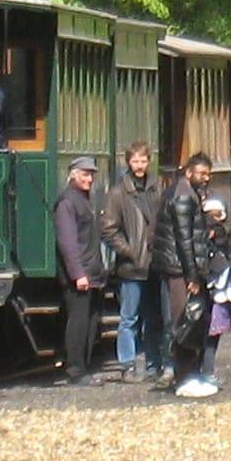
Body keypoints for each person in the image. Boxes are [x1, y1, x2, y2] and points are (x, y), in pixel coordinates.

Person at [155, 152, 221, 393]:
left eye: (208, 174)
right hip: (179, 269)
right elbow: (185, 240)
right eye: (202, 173)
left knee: (186, 321)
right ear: (189, 172)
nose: (206, 178)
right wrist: (192, 276)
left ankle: (187, 374)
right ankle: (185, 377)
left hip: (177, 266)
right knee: (185, 322)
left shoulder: (183, 192)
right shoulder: (184, 197)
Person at [102, 143, 165, 381]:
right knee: (129, 318)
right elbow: (109, 229)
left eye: (143, 161)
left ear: (149, 161)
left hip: (155, 263)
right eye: (135, 161)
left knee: (154, 317)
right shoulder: (118, 193)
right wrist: (129, 251)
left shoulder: (157, 188)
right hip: (131, 266)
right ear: (128, 162)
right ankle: (127, 364)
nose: (139, 166)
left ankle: (153, 364)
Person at [54, 155, 107, 382]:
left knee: (90, 321)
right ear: (73, 175)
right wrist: (78, 274)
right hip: (81, 274)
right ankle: (76, 370)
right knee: (79, 322)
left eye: (91, 175)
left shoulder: (85, 199)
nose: (89, 179)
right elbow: (68, 242)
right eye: (85, 175)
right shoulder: (67, 202)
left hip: (92, 271)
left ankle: (83, 366)